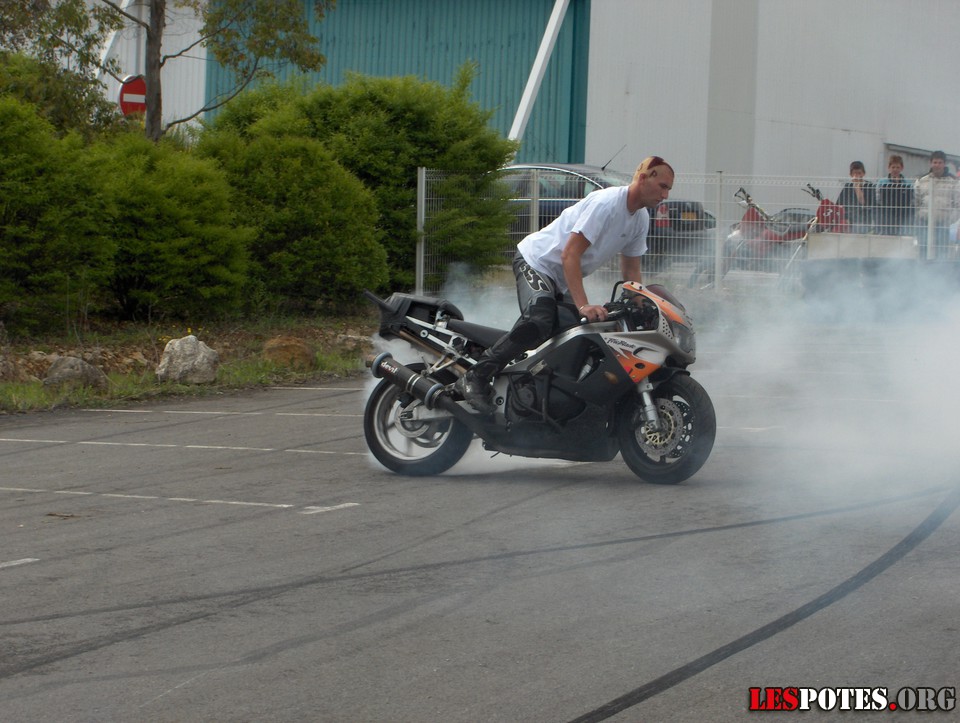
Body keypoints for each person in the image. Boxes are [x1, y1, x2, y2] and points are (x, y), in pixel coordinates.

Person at [456, 155, 675, 413]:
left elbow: (631, 269)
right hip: (536, 262)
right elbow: (570, 254)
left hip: (559, 278)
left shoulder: (640, 218)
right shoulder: (607, 203)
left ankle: (534, 393)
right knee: (538, 321)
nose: (666, 195)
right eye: (663, 186)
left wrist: (641, 304)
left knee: (576, 333)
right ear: (644, 178)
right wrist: (583, 305)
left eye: (669, 189)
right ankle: (476, 376)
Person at [914, 150, 960, 259]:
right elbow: (916, 202)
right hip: (924, 223)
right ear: (931, 163)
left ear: (944, 164)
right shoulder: (921, 181)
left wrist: (949, 219)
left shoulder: (954, 182)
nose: (937, 165)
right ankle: (922, 269)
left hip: (943, 224)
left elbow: (958, 205)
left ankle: (940, 269)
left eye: (940, 162)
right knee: (923, 251)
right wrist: (920, 215)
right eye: (935, 162)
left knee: (942, 253)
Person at [875, 154, 914, 236]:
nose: (895, 170)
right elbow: (878, 199)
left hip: (902, 217)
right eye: (893, 167)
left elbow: (912, 199)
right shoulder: (882, 182)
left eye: (897, 167)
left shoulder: (908, 183)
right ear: (889, 168)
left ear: (902, 168)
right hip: (886, 217)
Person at [835, 161, 876, 233]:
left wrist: (857, 186)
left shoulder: (869, 186)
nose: (857, 176)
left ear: (863, 173)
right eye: (855, 173)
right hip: (849, 220)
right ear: (851, 174)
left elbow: (863, 202)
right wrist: (845, 219)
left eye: (859, 173)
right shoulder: (848, 187)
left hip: (864, 220)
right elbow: (839, 204)